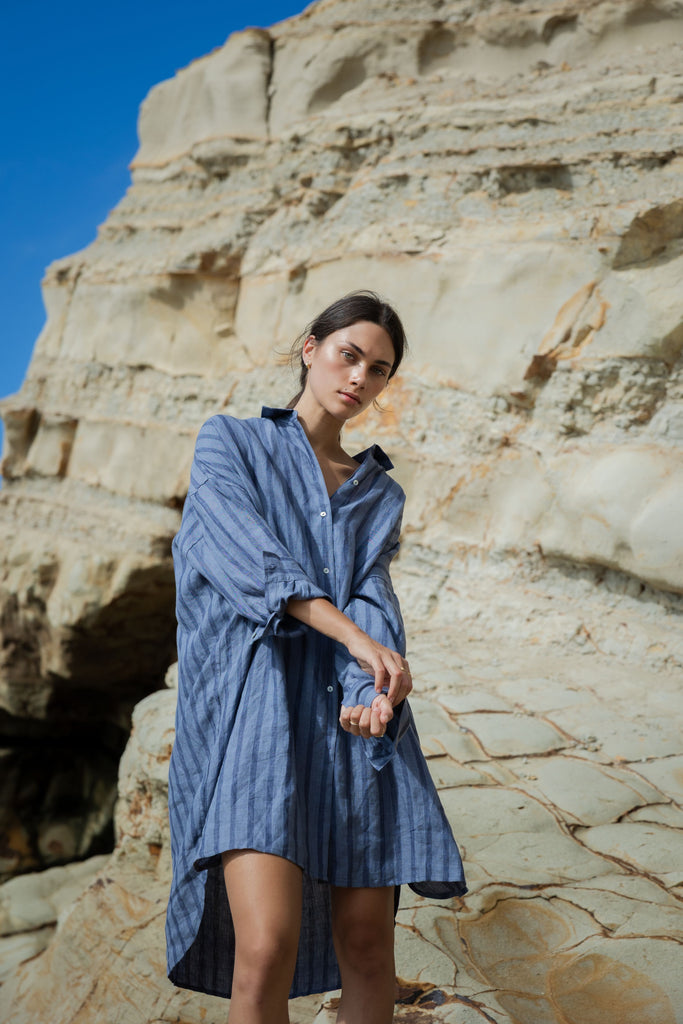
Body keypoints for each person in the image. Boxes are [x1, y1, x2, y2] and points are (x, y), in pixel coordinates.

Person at [165, 291, 466, 1024]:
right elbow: (244, 557)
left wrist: (376, 682)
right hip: (255, 713)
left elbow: (371, 596)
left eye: (379, 369)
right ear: (310, 349)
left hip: (352, 727)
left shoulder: (377, 493)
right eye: (348, 354)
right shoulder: (229, 442)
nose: (359, 377)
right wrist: (353, 638)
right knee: (264, 945)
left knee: (367, 946)